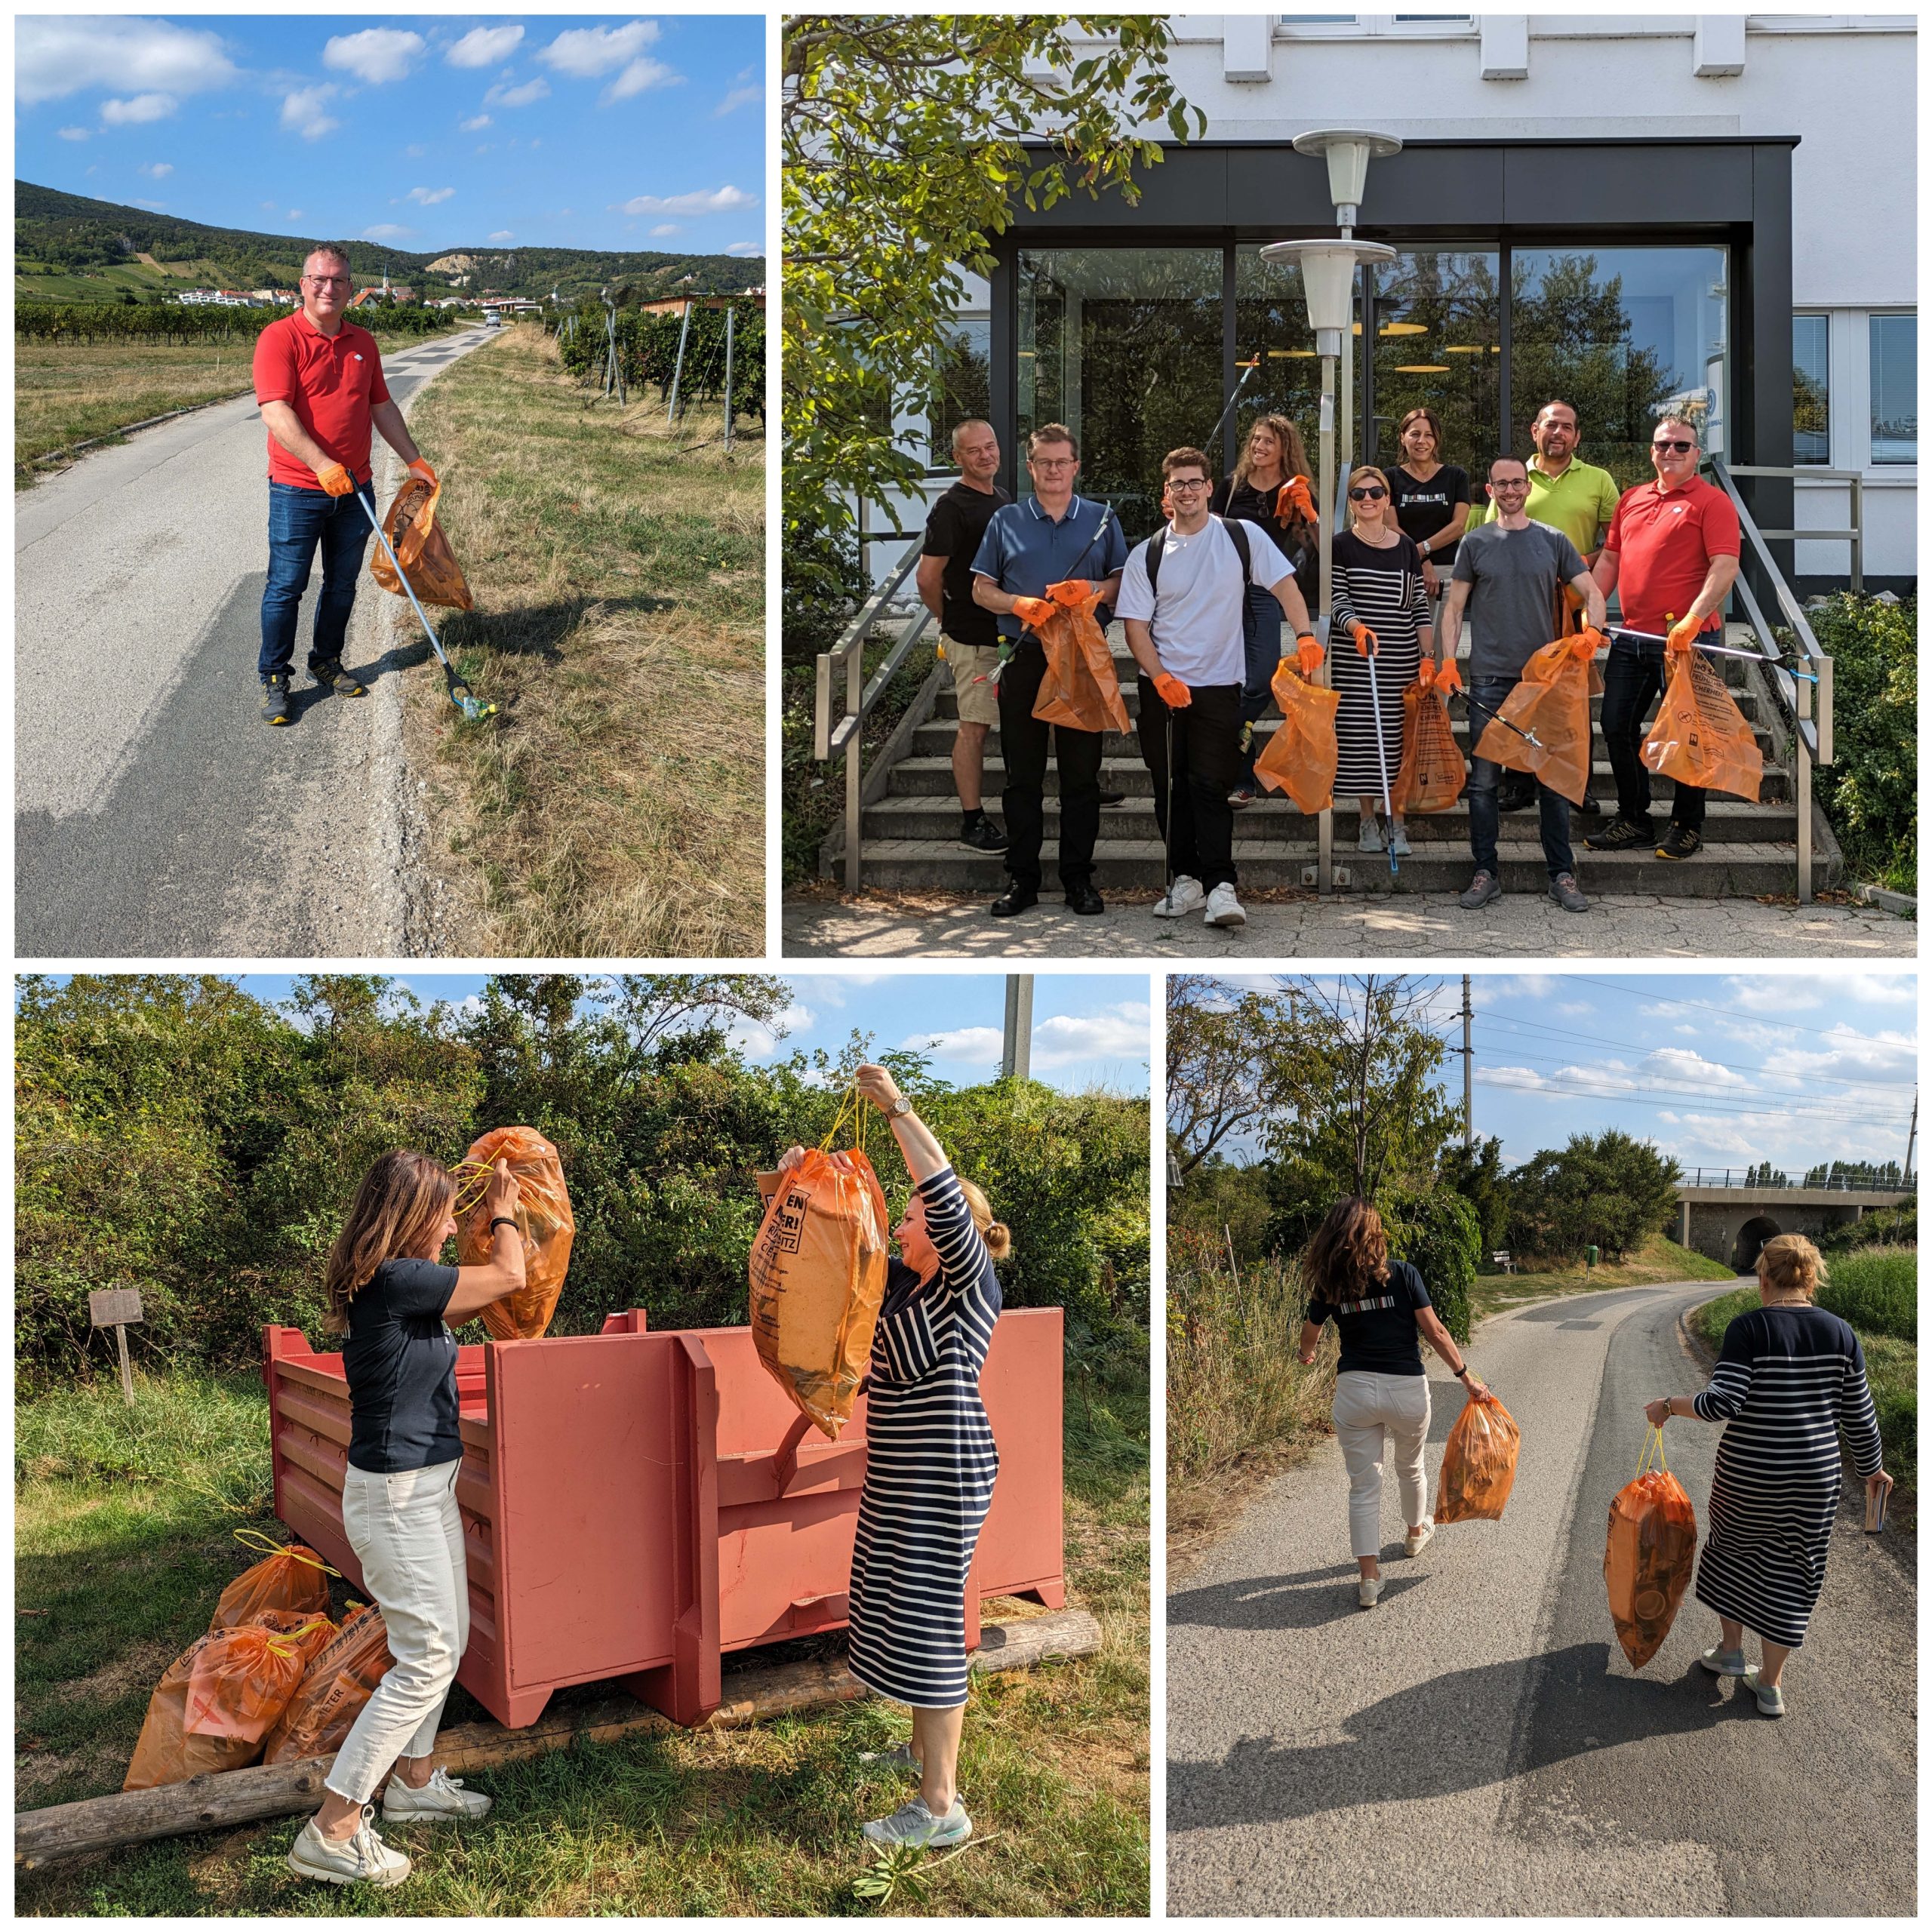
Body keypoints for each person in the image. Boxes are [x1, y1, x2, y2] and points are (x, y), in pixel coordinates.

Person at [777, 1063, 1008, 1847]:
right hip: (900, 1473)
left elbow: (938, 1189)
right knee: (892, 1607)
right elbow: (848, 1361)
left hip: (943, 1473)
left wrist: (898, 1107)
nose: (900, 1226)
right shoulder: (902, 1293)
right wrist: (797, 1190)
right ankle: (916, 1751)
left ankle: (941, 1808)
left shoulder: (967, 1286)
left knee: (929, 1618)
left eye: (909, 1218)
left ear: (948, 1235)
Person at [286, 1150, 525, 1889]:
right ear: (415, 1214)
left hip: (420, 1491)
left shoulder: (398, 1289)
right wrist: (507, 1205)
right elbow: (511, 1276)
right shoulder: (396, 1279)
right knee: (425, 1657)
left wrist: (487, 1214)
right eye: (447, 1211)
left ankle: (415, 1783)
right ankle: (334, 1824)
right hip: (398, 1500)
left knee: (441, 1644)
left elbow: (482, 1300)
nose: (455, 1225)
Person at [1644, 1234, 1888, 1718]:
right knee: (1796, 1569)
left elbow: (1722, 1402)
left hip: (1749, 1474)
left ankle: (1731, 1651)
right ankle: (1770, 1684)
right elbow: (1860, 1416)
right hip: (1815, 1479)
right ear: (1810, 1277)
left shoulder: (1750, 1328)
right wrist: (1872, 1469)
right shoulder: (1841, 1332)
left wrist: (1668, 1406)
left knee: (1734, 1552)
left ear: (1763, 1277)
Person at [1117, 445, 1315, 928]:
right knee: (1170, 788)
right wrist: (1160, 677)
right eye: (1178, 484)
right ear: (1168, 493)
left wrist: (1307, 635)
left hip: (1220, 686)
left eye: (1195, 482)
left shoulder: (1240, 536)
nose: (1187, 491)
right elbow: (1136, 628)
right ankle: (1183, 880)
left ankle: (1221, 887)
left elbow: (1286, 586)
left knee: (1211, 785)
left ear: (1210, 488)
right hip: (1162, 689)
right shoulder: (1149, 553)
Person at [253, 245, 438, 727]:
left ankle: (326, 660)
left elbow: (382, 407)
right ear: (303, 284)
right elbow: (275, 411)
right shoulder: (279, 338)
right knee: (286, 586)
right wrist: (319, 464)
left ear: (350, 289)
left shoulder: (364, 342)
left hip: (356, 489)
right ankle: (275, 674)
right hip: (298, 488)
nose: (328, 288)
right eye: (319, 279)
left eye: (338, 281)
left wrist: (414, 460)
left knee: (341, 585)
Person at [1295, 1197, 1489, 1609]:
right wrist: (1465, 1376)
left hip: (1355, 1389)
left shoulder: (1330, 1284)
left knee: (1364, 1486)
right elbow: (1435, 1331)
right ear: (1376, 1234)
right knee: (1410, 1465)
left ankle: (1369, 1579)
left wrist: (1307, 1354)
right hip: (1405, 1390)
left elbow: (1309, 1334)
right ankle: (1416, 1533)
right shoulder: (1403, 1274)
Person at [971, 424, 1128, 918]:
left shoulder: (1103, 520)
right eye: (1044, 462)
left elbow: (1124, 584)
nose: (1054, 470)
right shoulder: (1006, 520)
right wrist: (1019, 602)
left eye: (1062, 462)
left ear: (1076, 467)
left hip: (1083, 658)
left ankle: (1078, 880)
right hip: (1025, 656)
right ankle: (1023, 880)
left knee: (1081, 780)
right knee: (1023, 779)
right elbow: (980, 589)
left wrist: (1093, 591)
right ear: (1031, 467)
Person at [1438, 454, 1605, 915]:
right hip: (1489, 679)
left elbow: (1593, 592)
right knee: (1485, 782)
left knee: (1552, 780)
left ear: (1526, 488)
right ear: (1489, 491)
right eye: (1501, 485)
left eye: (1517, 483)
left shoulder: (1553, 541)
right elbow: (1453, 609)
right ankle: (1485, 872)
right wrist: (1448, 662)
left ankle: (1562, 874)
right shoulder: (1474, 542)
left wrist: (1592, 630)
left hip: (1544, 679)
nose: (1510, 491)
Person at [1587, 413, 1743, 863]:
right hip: (1631, 639)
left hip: (1687, 644)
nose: (1670, 453)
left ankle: (1688, 826)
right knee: (1616, 726)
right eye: (1662, 445)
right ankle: (1634, 819)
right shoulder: (1632, 498)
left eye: (1680, 446)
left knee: (1689, 736)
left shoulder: (1713, 503)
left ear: (1697, 454)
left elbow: (1725, 567)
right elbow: (1610, 563)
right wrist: (1592, 614)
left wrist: (1694, 618)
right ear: (1651, 451)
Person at [1469, 399, 1623, 816]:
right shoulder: (1515, 478)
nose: (1558, 432)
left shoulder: (1599, 480)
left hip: (1573, 606)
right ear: (1535, 430)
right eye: (1551, 425)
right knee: (1525, 691)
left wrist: (1579, 568)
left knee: (1570, 700)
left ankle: (1577, 783)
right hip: (1526, 603)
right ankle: (1520, 783)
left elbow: (1617, 543)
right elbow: (1491, 534)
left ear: (1577, 436)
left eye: (1567, 427)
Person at [1209, 414, 1318, 805]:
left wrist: (1311, 514)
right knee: (1228, 683)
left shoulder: (1297, 489)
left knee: (1260, 679)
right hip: (1223, 593)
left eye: (1268, 441)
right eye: (1255, 439)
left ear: (1285, 448)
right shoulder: (1230, 485)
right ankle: (1243, 778)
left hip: (1267, 593)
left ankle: (1224, 736)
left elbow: (1323, 550)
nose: (1259, 446)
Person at [916, 420, 1011, 854]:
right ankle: (972, 821)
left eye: (990, 446)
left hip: (1009, 633)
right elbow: (927, 577)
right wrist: (948, 619)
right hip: (973, 638)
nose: (985, 456)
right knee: (974, 728)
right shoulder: (951, 507)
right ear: (958, 458)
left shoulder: (1003, 500)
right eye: (974, 451)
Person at [1330, 465, 1435, 857]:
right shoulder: (1341, 544)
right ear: (1352, 503)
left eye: (1376, 493)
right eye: (1358, 494)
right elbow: (1337, 599)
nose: (1368, 499)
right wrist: (1356, 628)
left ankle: (1399, 823)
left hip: (1401, 659)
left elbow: (1418, 608)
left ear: (1388, 499)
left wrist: (1428, 658)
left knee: (1398, 742)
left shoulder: (1407, 547)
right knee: (1361, 741)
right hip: (1358, 660)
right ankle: (1367, 821)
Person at [1384, 406, 1470, 605]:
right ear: (1402, 438)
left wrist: (1421, 551)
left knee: (1443, 636)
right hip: (1402, 569)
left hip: (1447, 575)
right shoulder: (1390, 477)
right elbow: (1390, 526)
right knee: (1404, 635)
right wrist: (1421, 560)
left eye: (1429, 435)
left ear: (1436, 440)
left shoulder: (1456, 476)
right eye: (1415, 434)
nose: (1421, 441)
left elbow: (1458, 527)